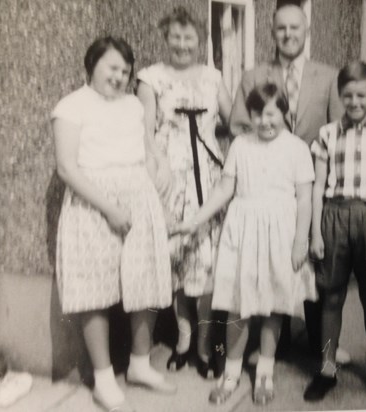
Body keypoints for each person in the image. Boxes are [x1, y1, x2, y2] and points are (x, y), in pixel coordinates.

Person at [52, 36, 176, 412]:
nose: (120, 77)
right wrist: (108, 207)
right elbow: (67, 168)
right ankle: (104, 379)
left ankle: (139, 364)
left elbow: (147, 147)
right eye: (112, 68)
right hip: (93, 203)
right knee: (96, 289)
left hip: (138, 195)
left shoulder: (133, 107)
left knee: (146, 281)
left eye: (126, 70)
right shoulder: (70, 107)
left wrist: (160, 166)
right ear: (91, 66)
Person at [174, 83, 318, 406]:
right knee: (238, 305)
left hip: (281, 232)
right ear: (249, 116)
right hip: (243, 229)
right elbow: (225, 189)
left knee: (272, 306)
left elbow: (306, 199)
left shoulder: (297, 148)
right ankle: (231, 373)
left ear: (284, 112)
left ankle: (265, 372)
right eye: (258, 115)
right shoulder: (240, 145)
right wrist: (196, 220)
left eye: (272, 114)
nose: (265, 122)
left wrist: (300, 241)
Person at [229, 3, 349, 363]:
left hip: (313, 183)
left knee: (313, 262)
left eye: (295, 28)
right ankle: (273, 345)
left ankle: (319, 343)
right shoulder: (253, 76)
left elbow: (338, 132)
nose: (288, 35)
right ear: (272, 31)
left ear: (307, 30)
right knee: (271, 261)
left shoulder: (328, 76)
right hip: (269, 186)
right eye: (281, 28)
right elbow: (238, 124)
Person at [136, 6, 232, 379]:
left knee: (207, 261)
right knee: (176, 260)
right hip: (169, 177)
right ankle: (183, 339)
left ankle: (207, 344)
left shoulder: (212, 76)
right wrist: (158, 169)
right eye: (174, 37)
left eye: (188, 37)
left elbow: (235, 119)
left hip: (208, 179)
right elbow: (144, 130)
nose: (181, 44)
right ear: (165, 38)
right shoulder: (151, 77)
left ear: (200, 40)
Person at [303, 61, 366, 406]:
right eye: (348, 96)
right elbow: (316, 189)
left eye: (362, 95)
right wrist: (315, 233)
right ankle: (327, 368)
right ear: (340, 96)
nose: (355, 102)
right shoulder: (328, 134)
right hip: (334, 217)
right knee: (331, 297)